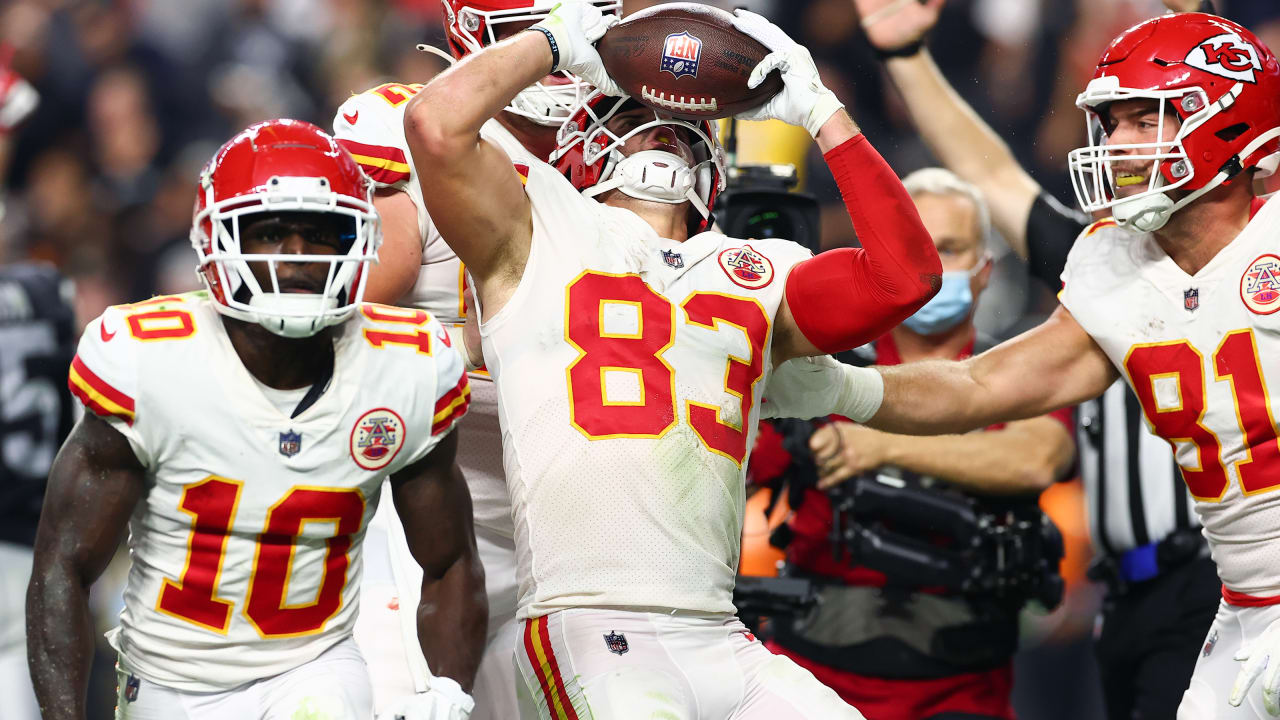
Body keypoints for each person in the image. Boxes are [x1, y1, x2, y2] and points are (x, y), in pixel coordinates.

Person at [404, 1, 943, 716]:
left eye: (681, 120)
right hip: (589, 621)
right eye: (627, 111)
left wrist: (818, 107)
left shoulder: (758, 267)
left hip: (722, 633)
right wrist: (562, 41)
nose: (656, 124)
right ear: (578, 146)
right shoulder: (537, 226)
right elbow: (434, 125)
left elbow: (905, 277)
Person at [826, 11, 1280, 719]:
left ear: (1225, 122)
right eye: (1115, 123)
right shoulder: (1114, 262)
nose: (1119, 145)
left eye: (1144, 121)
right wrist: (825, 385)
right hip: (1241, 603)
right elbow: (982, 385)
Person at [25, 119, 486, 720]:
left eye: (321, 233)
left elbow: (450, 560)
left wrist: (448, 692)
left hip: (315, 664)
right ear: (213, 238)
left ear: (357, 242)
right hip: (172, 678)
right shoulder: (149, 361)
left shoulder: (406, 367)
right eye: (268, 231)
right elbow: (64, 565)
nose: (295, 256)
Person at [331, 4, 621, 718]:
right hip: (414, 518)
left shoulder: (632, 151)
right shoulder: (407, 135)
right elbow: (325, 328)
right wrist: (465, 347)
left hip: (573, 536)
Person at [754, 168, 1075, 720]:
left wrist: (879, 447)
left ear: (984, 272)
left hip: (964, 692)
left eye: (950, 250)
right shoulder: (814, 369)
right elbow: (735, 465)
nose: (930, 266)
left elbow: (1036, 458)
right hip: (812, 684)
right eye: (915, 246)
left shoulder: (1022, 369)